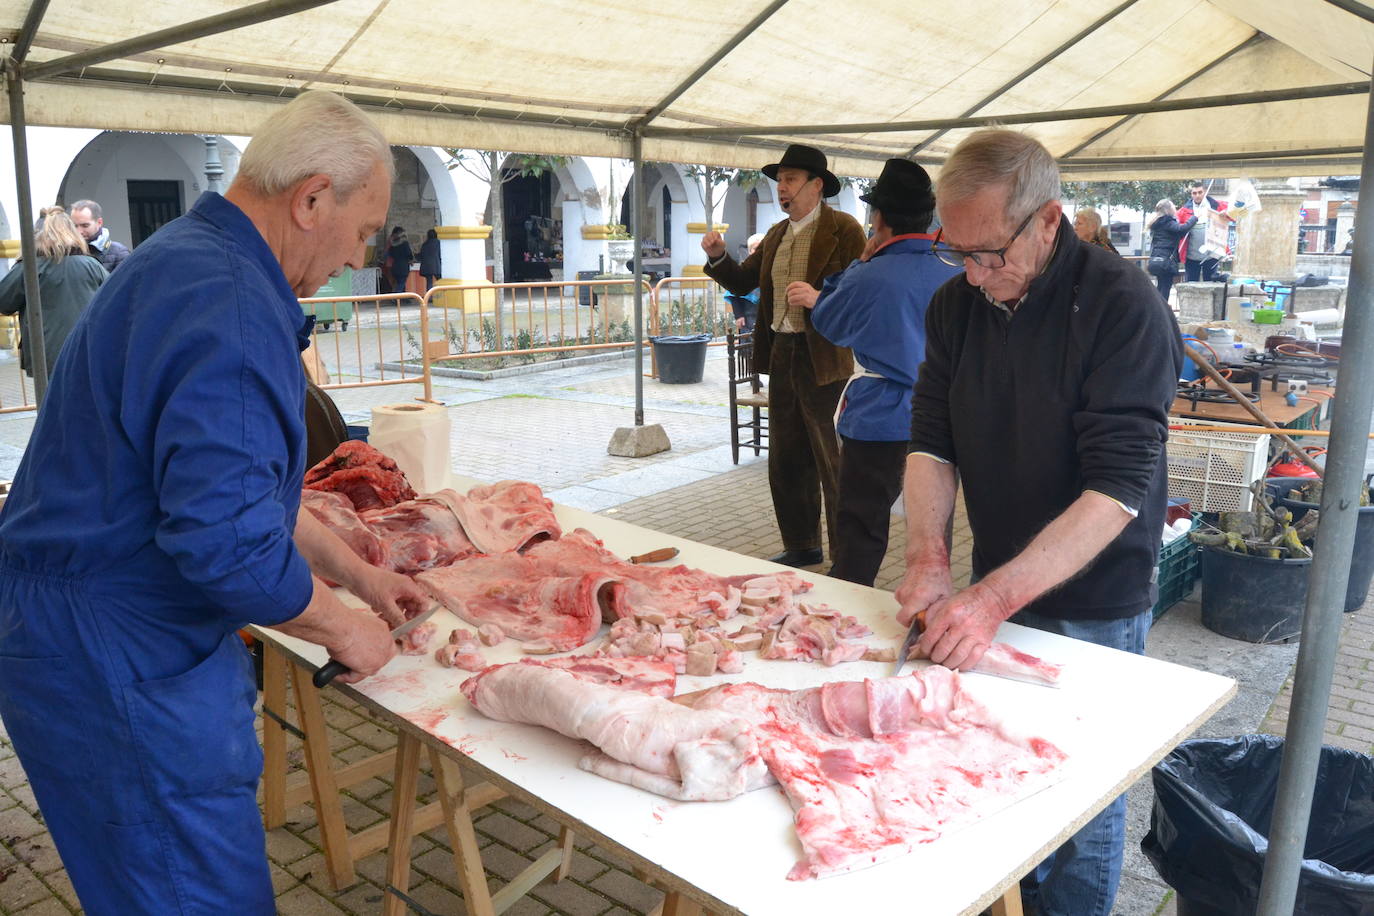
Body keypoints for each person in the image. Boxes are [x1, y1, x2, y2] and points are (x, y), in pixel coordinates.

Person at [0, 90, 430, 914]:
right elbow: (226, 542)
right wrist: (348, 628)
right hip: (116, 649)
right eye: (365, 230)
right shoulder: (229, 303)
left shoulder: (187, 260)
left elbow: (245, 490)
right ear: (310, 199)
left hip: (84, 631)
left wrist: (362, 576)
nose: (358, 255)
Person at [898, 128, 1181, 916]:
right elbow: (931, 440)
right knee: (1001, 773)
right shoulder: (958, 303)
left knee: (1079, 797)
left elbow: (1118, 488)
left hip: (1095, 596)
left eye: (989, 252)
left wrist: (989, 599)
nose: (976, 273)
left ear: (1048, 221)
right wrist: (927, 557)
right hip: (999, 576)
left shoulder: (1125, 307)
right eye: (957, 253)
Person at [702, 144, 866, 568]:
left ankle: (846, 555)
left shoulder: (844, 228)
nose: (782, 188)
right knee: (787, 457)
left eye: (791, 179)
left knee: (832, 461)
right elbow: (741, 282)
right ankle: (801, 544)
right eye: (780, 180)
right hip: (783, 351)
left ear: (816, 185)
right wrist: (718, 257)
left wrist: (819, 298)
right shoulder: (776, 234)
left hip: (824, 358)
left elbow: (860, 293)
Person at [805, 159, 958, 586]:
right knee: (935, 530)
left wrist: (858, 262)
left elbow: (828, 321)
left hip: (881, 418)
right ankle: (932, 604)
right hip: (945, 416)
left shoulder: (869, 276)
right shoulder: (958, 270)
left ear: (879, 218)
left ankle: (848, 607)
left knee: (862, 526)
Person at [0, 205, 107, 380]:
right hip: (87, 350)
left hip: (45, 355)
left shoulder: (28, 267)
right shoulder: (92, 265)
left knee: (51, 403)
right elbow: (113, 301)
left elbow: (4, 302)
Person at [1147, 199, 1196, 304]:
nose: (1175, 208)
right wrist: (1194, 218)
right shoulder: (1167, 222)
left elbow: (1176, 234)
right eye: (1173, 206)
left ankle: (1157, 311)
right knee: (1165, 287)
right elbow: (1182, 229)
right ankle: (1162, 314)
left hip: (1156, 259)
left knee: (1160, 286)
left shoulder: (1157, 223)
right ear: (1168, 209)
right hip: (1166, 260)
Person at [1178, 180, 1228, 282]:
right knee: (1191, 286)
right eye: (1194, 193)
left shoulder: (1217, 205)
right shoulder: (1183, 211)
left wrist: (1226, 213)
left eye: (1200, 192)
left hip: (1211, 255)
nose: (1197, 195)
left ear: (1204, 192)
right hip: (1191, 256)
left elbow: (1235, 213)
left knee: (1211, 286)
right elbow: (1176, 228)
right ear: (1191, 194)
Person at [69, 199, 132, 273]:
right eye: (74, 226)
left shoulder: (119, 253)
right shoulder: (67, 251)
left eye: (85, 225)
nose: (79, 231)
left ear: (99, 222)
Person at [724, 232, 765, 332]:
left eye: (762, 248)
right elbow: (734, 296)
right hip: (748, 317)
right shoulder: (743, 270)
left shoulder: (772, 269)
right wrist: (739, 316)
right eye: (756, 248)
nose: (760, 252)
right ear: (750, 251)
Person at [386, 225, 413, 295]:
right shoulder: (405, 243)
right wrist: (411, 259)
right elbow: (409, 253)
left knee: (399, 282)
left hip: (395, 265)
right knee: (401, 283)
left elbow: (390, 254)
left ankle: (403, 298)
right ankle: (395, 297)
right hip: (403, 266)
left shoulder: (392, 244)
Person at [418, 227, 442, 291]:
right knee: (440, 280)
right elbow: (440, 254)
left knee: (429, 282)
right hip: (436, 265)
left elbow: (421, 255)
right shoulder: (438, 243)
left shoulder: (425, 244)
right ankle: (442, 294)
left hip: (426, 265)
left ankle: (429, 296)